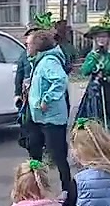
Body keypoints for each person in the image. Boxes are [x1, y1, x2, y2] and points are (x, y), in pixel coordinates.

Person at [25, 28, 74, 193]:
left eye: (28, 44)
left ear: (37, 46)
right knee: (34, 150)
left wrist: (47, 99)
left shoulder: (49, 61)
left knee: (58, 156)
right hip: (38, 117)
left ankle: (67, 190)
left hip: (52, 118)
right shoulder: (39, 60)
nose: (27, 47)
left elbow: (60, 80)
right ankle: (36, 186)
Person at [75, 17, 110, 139]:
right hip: (95, 90)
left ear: (109, 38)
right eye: (98, 37)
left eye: (104, 36)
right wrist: (94, 58)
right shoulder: (92, 54)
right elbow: (85, 71)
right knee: (94, 117)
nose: (101, 39)